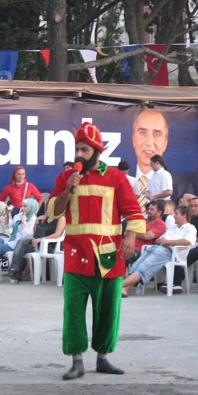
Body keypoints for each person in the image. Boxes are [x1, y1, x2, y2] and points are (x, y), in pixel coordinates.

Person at [49, 121, 145, 380]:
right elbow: (54, 211)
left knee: (108, 310)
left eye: (85, 150)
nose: (79, 154)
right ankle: (77, 361)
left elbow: (134, 210)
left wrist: (130, 236)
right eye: (77, 149)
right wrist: (68, 189)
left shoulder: (115, 177)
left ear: (97, 152)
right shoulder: (66, 178)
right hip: (75, 254)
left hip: (108, 256)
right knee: (73, 310)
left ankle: (103, 358)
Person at [122, 205, 197, 296]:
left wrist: (168, 242)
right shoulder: (173, 227)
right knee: (137, 266)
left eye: (176, 214)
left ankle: (118, 286)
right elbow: (159, 240)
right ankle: (124, 289)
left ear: (184, 215)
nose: (174, 216)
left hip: (171, 253)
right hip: (158, 248)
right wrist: (163, 241)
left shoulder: (190, 228)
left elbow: (187, 241)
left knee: (143, 268)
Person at [132, 108, 169, 179]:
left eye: (157, 134)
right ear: (133, 139)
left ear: (165, 143)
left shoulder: (181, 185)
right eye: (142, 133)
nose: (149, 142)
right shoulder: (120, 182)